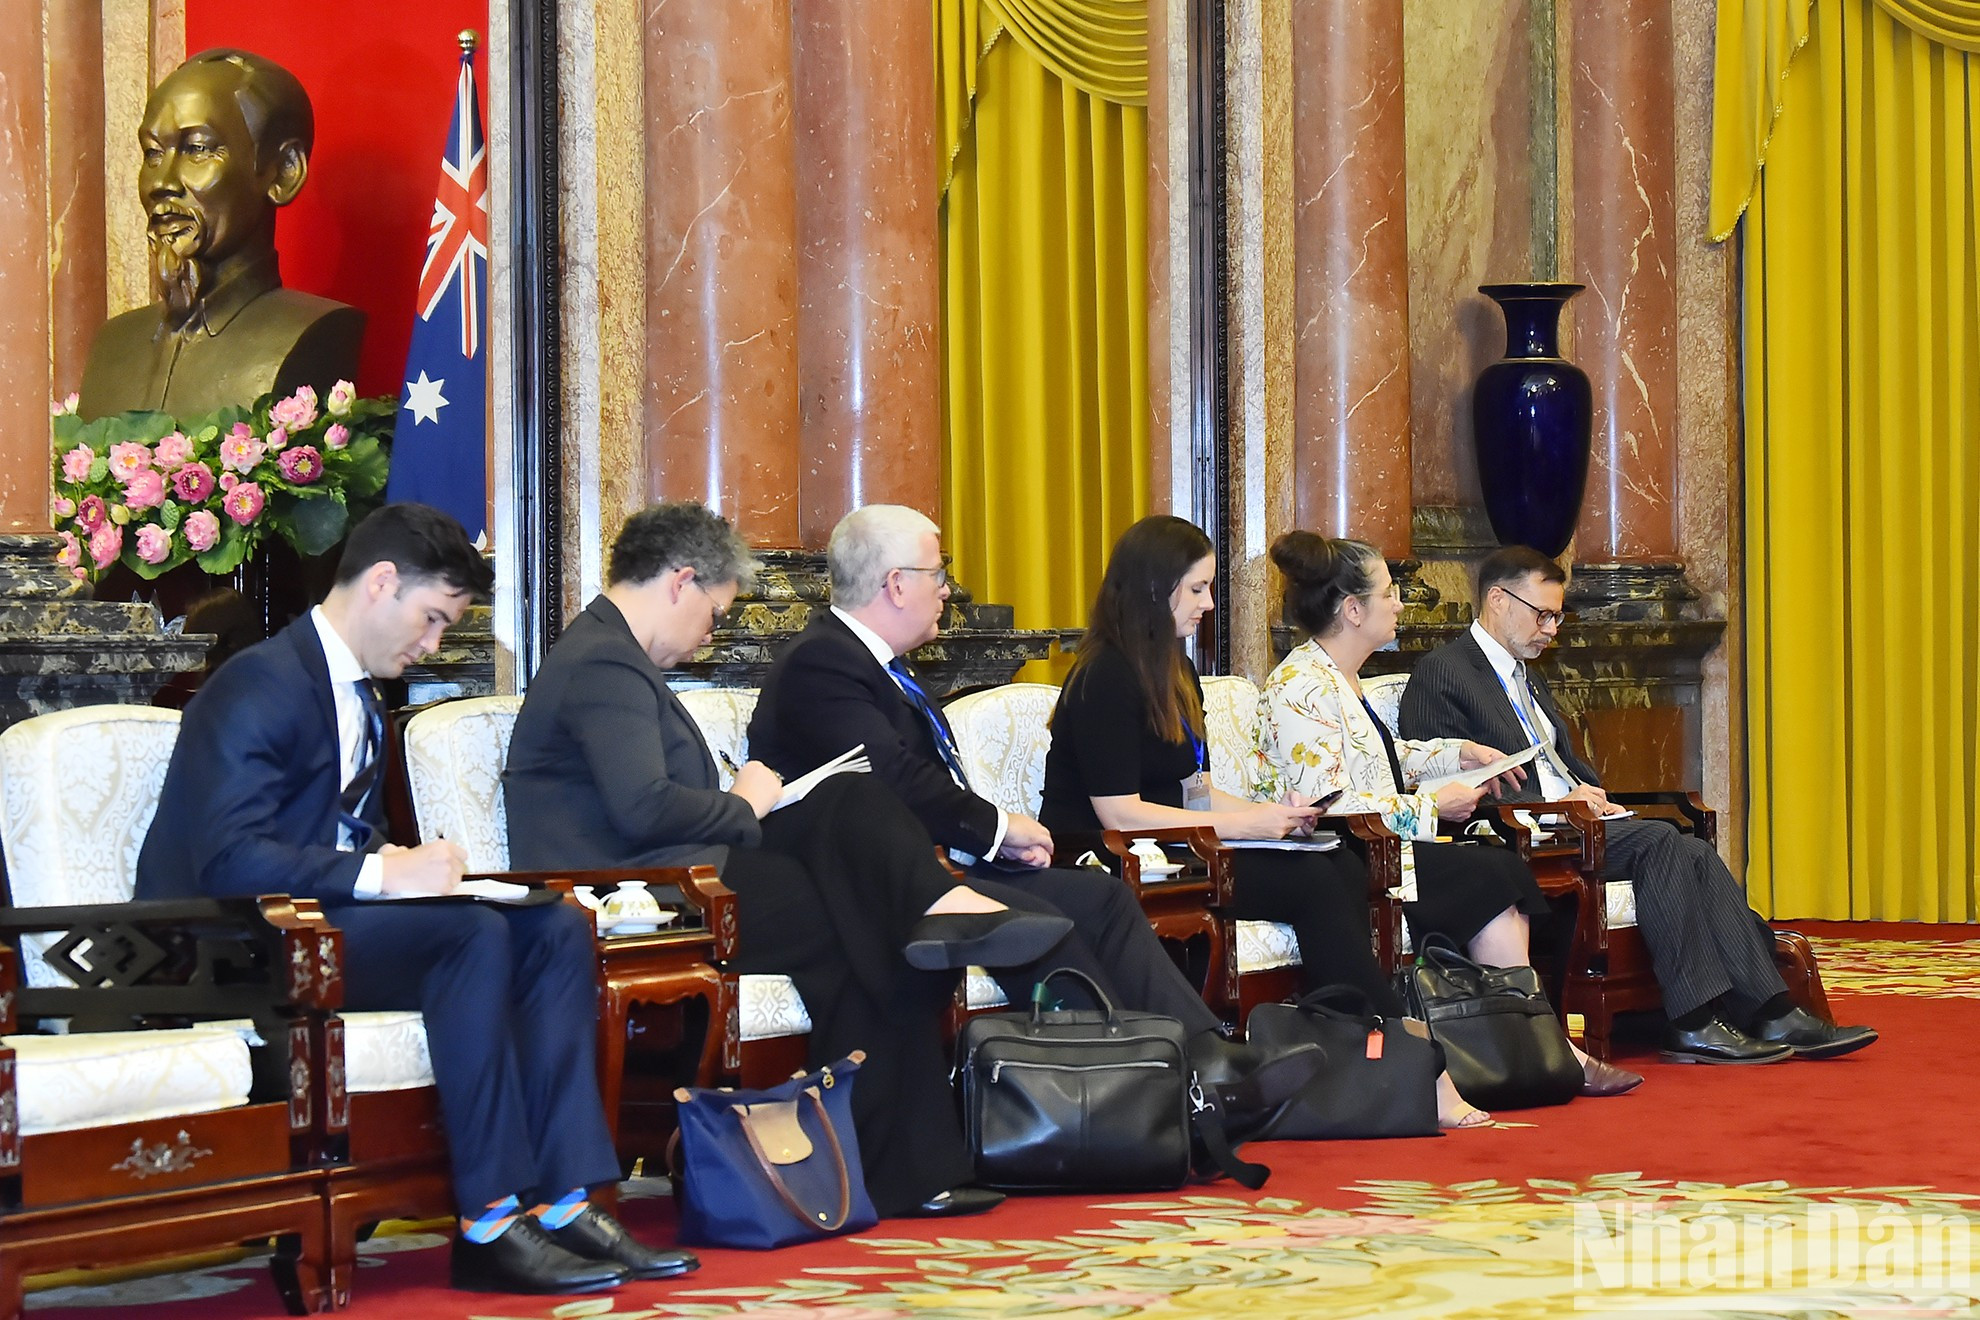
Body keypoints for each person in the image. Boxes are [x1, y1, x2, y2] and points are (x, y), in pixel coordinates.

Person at [137, 504, 682, 1297]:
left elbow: (334, 837)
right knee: (469, 936)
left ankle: (568, 1200)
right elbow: (229, 859)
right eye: (431, 619)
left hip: (321, 927)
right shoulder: (258, 684)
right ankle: (489, 1222)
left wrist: (394, 866)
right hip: (234, 944)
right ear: (381, 582)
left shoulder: (359, 696)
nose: (431, 645)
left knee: (556, 927)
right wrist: (383, 875)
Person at [502, 502, 1074, 1221]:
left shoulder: (609, 654)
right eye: (715, 613)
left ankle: (903, 1151)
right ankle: (901, 1165)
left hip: (675, 872)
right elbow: (642, 809)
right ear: (681, 582)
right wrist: (745, 802)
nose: (711, 633)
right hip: (636, 893)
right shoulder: (603, 662)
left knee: (848, 808)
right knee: (868, 919)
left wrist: (749, 805)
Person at [746, 504, 1325, 1121]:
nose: (946, 590)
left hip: (944, 865)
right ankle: (1131, 1101)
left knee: (1101, 900)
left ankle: (1208, 1062)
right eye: (937, 573)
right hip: (878, 890)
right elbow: (893, 778)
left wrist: (995, 838)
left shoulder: (883, 667)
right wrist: (997, 830)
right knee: (1045, 923)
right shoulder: (823, 660)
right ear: (895, 584)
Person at [1039, 514, 1519, 1126]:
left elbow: (1195, 793)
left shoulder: (1175, 671)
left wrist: (1275, 815)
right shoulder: (1104, 676)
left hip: (1179, 849)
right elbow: (1119, 812)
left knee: (1338, 864)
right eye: (1197, 589)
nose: (1208, 604)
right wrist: (1248, 828)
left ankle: (1357, 1059)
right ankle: (1407, 1058)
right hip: (1110, 857)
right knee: (1315, 881)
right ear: (1155, 589)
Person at [1398, 545, 1877, 1063]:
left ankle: (1770, 1010)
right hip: (1520, 836)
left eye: (1558, 616)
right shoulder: (1444, 672)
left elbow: (1558, 762)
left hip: (1571, 823)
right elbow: (1453, 783)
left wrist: (1590, 793)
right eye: (1543, 615)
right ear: (1497, 600)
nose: (1552, 629)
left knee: (1692, 849)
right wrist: (1557, 805)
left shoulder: (1524, 673)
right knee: (1660, 841)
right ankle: (1693, 1022)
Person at [1254, 531, 1645, 1098]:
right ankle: (1540, 1045)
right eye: (1389, 593)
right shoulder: (1300, 687)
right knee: (1489, 873)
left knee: (1498, 870)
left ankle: (1534, 1044)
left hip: (1381, 846)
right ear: (1353, 610)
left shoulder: (1338, 676)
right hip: (1347, 859)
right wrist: (1434, 804)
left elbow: (1380, 759)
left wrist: (1456, 754)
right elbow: (1335, 806)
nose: (1400, 604)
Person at [80, 47, 364, 419]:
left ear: (284, 172)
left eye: (197, 149)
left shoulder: (316, 332)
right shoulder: (113, 343)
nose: (161, 183)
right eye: (152, 153)